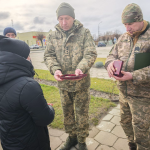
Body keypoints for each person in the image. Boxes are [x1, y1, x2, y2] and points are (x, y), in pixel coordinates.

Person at [44, 2, 97, 150]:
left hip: (81, 83)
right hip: (63, 84)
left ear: (73, 18)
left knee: (82, 114)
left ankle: (81, 141)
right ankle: (71, 137)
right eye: (60, 19)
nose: (63, 22)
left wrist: (81, 67)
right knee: (67, 114)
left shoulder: (84, 33)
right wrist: (55, 69)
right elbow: (49, 55)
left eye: (67, 18)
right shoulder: (53, 35)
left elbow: (90, 53)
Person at [105, 3, 150, 150]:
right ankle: (132, 145)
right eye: (125, 24)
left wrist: (133, 75)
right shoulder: (123, 37)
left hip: (143, 97)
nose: (127, 28)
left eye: (130, 24)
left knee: (142, 129)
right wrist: (110, 64)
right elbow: (111, 54)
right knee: (125, 122)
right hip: (123, 93)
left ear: (140, 19)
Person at [0, 35, 55, 150]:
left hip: (8, 142)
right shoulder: (27, 86)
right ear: (20, 58)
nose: (30, 58)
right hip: (32, 143)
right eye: (28, 55)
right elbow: (45, 118)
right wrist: (49, 109)